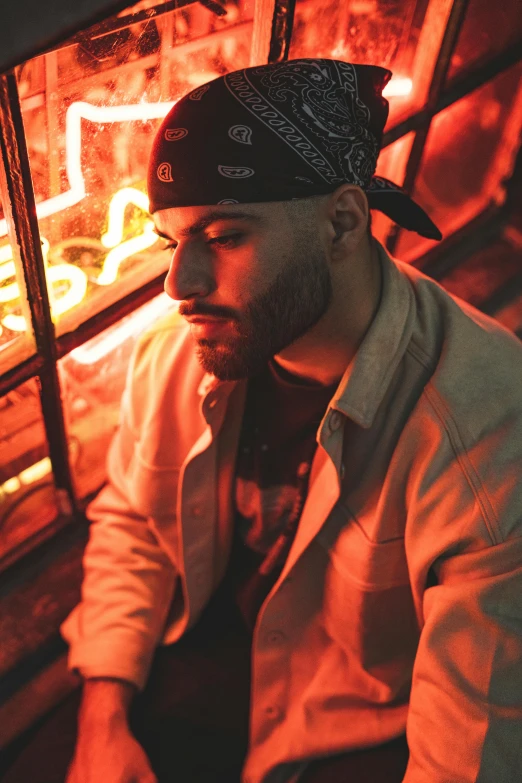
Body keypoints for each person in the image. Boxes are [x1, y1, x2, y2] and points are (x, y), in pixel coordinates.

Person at [58, 59, 522, 783]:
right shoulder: (179, 353)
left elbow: (469, 746)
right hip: (209, 664)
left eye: (226, 236)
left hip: (356, 732)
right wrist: (102, 720)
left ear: (341, 221)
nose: (180, 284)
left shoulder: (487, 433)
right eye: (169, 242)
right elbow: (133, 524)